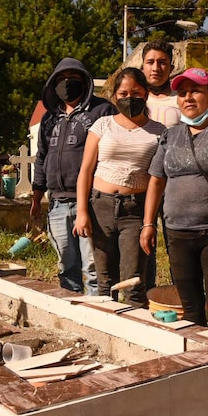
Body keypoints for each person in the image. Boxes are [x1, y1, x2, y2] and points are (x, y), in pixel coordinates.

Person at [140, 68, 208, 330]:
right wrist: (148, 223)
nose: (188, 98)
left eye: (195, 90)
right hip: (178, 233)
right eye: (182, 93)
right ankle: (198, 360)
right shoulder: (170, 135)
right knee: (190, 305)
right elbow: (157, 180)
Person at [74, 67, 166, 307]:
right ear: (115, 96)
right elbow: (85, 170)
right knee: (105, 282)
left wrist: (149, 222)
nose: (129, 98)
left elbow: (158, 179)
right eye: (123, 93)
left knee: (134, 282)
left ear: (145, 93)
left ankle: (135, 336)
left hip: (135, 210)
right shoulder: (102, 125)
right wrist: (82, 212)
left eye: (135, 92)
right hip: (100, 206)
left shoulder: (159, 132)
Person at [32, 58, 117, 295]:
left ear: (85, 82)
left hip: (91, 203)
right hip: (57, 204)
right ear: (53, 84)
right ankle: (74, 315)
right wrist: (36, 200)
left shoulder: (102, 111)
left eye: (74, 78)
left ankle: (98, 318)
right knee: (66, 267)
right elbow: (41, 157)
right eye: (61, 79)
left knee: (94, 267)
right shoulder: (49, 118)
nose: (67, 83)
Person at [139, 40, 181, 291]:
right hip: (140, 184)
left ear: (171, 66)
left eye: (162, 62)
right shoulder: (133, 97)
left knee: (177, 245)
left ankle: (182, 298)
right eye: (151, 62)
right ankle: (146, 297)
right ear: (143, 66)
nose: (156, 68)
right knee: (144, 243)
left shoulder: (181, 98)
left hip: (174, 185)